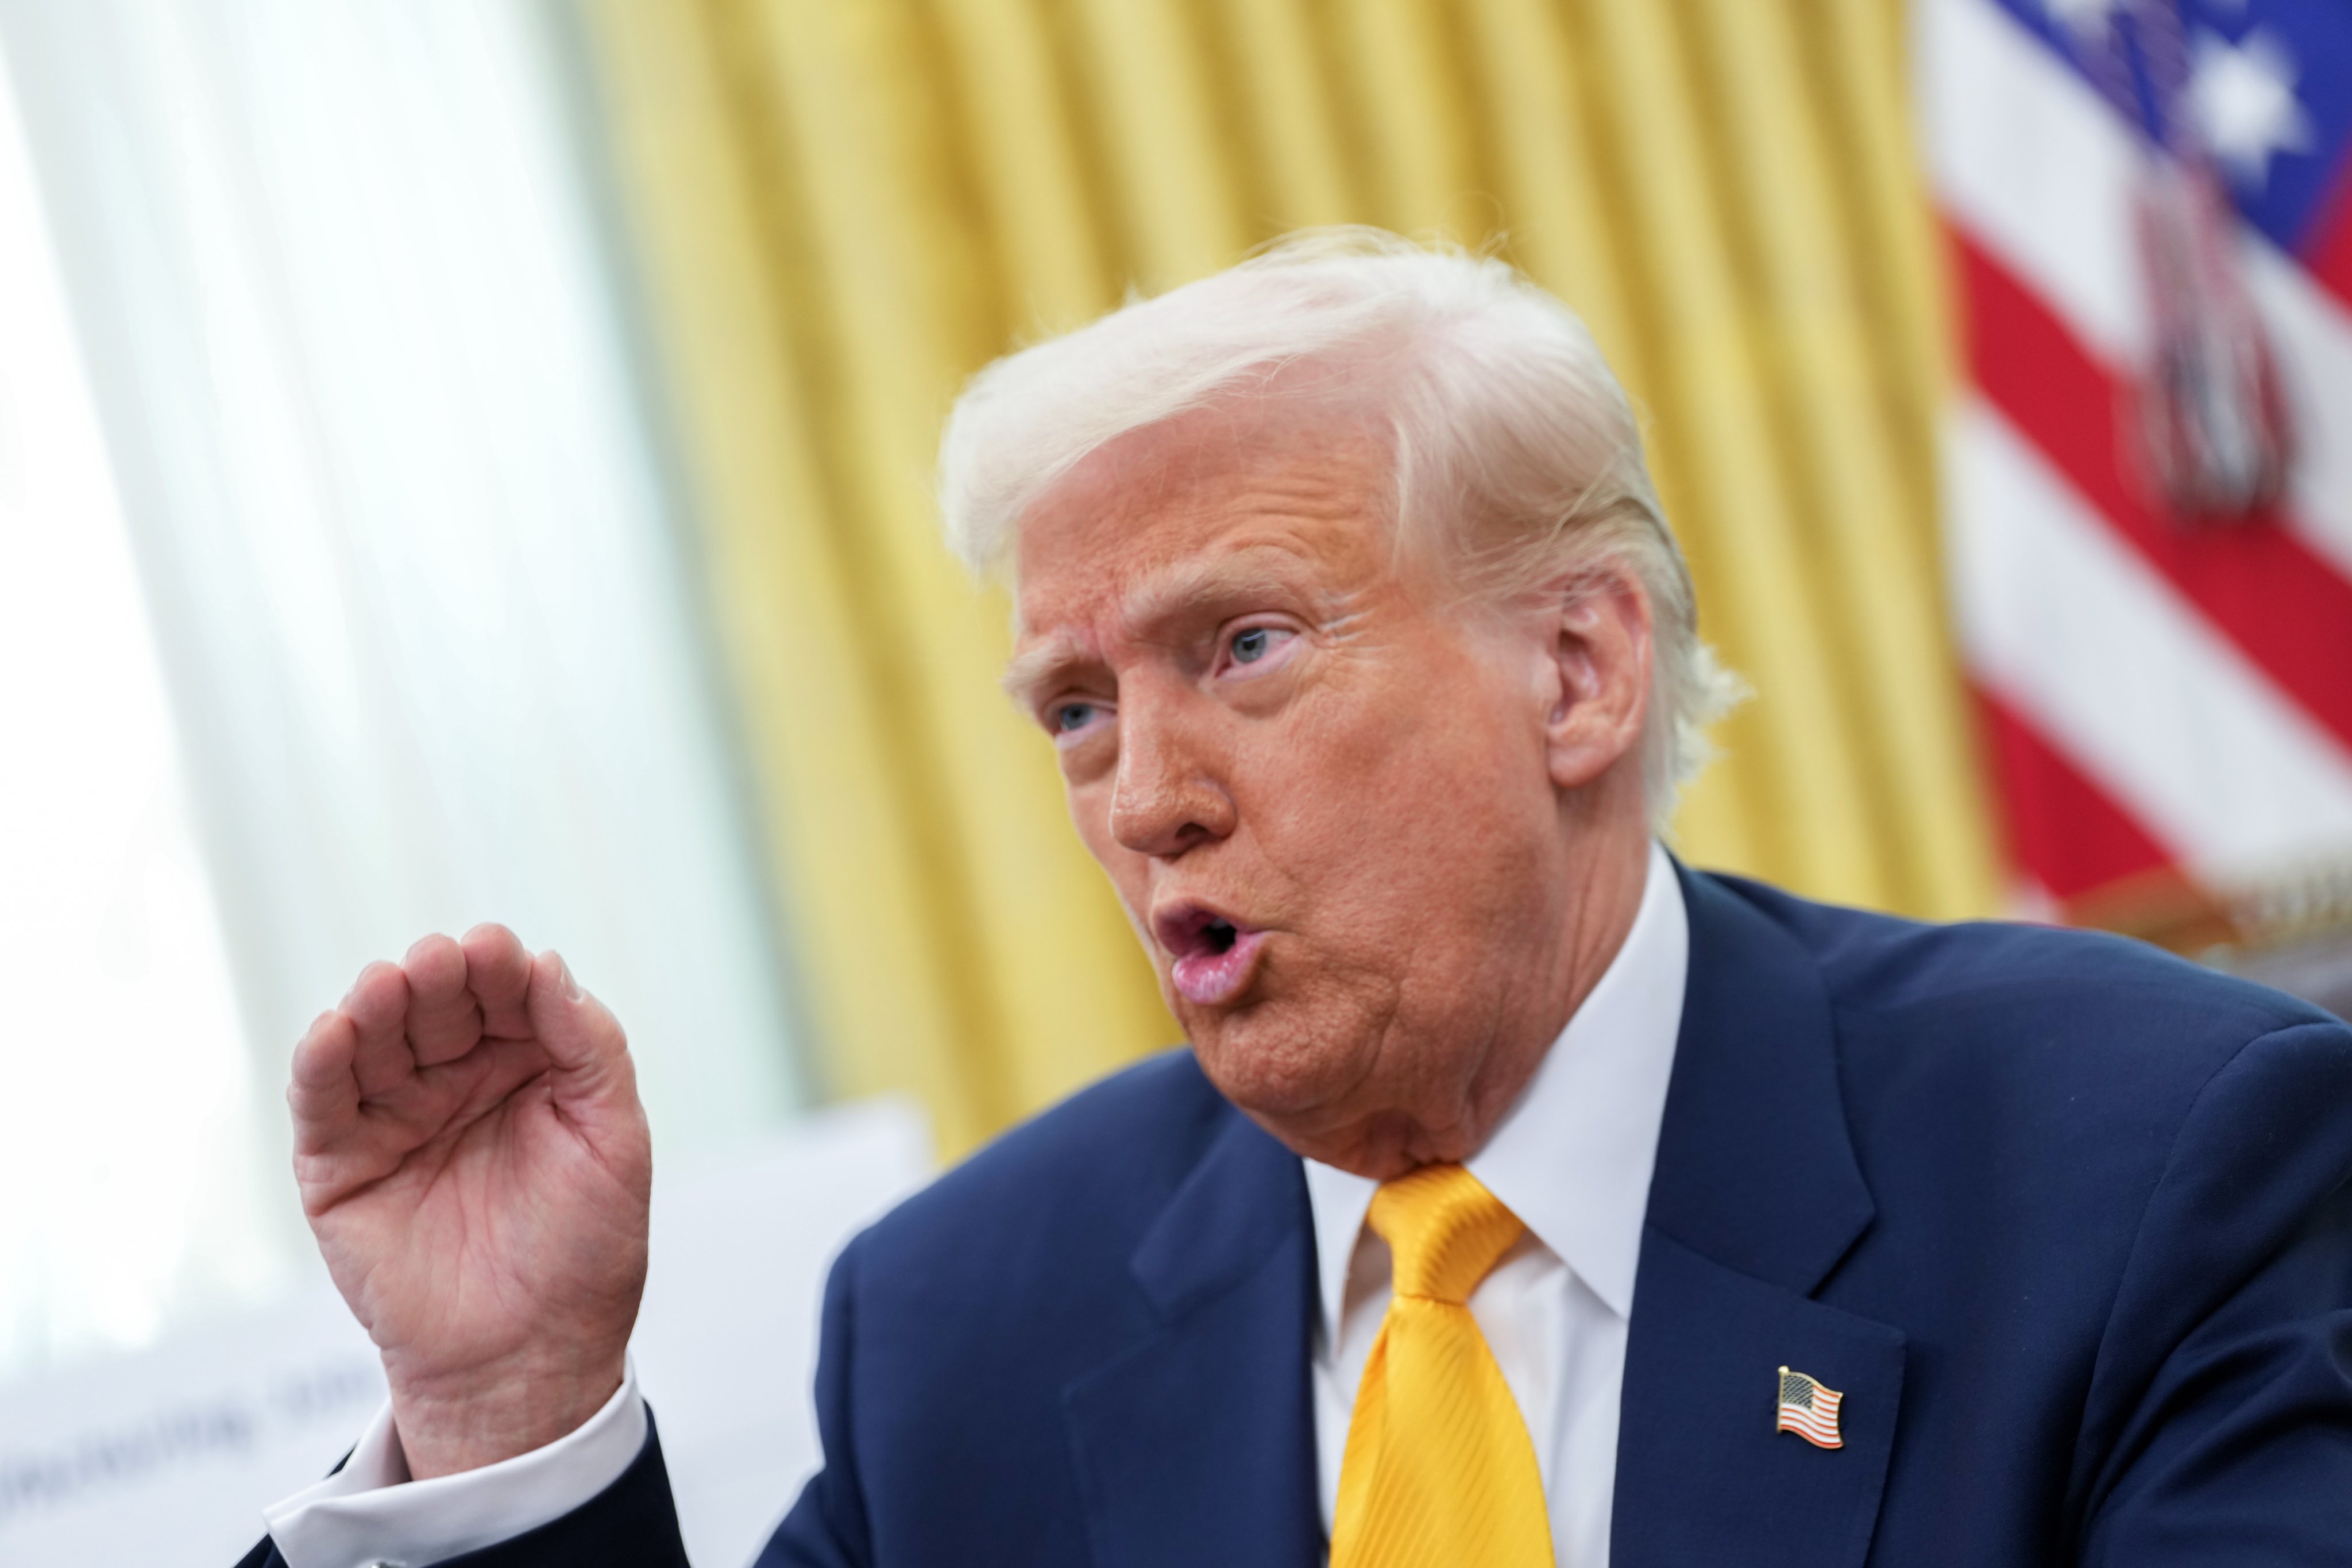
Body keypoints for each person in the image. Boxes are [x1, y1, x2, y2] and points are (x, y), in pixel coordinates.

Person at [241, 231, 2352, 1568]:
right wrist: (505, 1408)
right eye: (1073, 708)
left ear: (1581, 668)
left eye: (1241, 646)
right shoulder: (971, 1321)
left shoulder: (2161, 1162)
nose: (1144, 795)